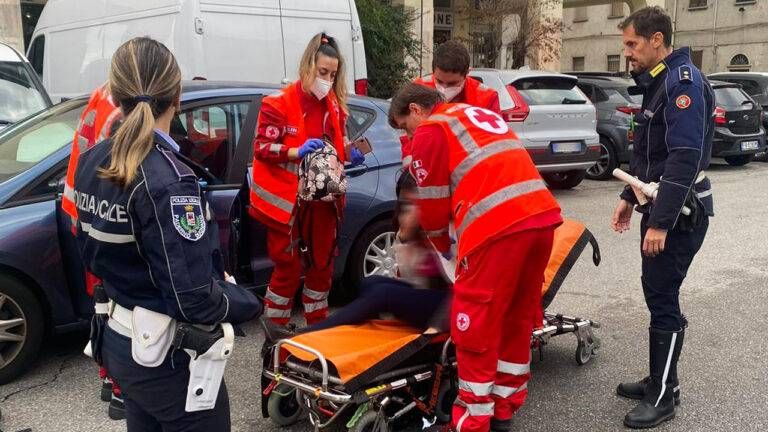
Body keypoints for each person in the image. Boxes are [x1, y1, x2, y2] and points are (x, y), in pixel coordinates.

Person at [73, 37, 261, 431]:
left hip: (121, 341)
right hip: (167, 357)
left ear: (116, 93)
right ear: (176, 95)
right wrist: (245, 301)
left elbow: (88, 248)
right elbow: (192, 297)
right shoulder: (170, 180)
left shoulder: (92, 160)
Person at [388, 83, 562, 432]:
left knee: (474, 325)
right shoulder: (475, 114)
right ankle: (504, 410)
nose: (407, 136)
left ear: (416, 111)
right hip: (540, 218)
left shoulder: (432, 128)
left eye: (404, 126)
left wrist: (444, 248)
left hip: (497, 228)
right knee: (516, 317)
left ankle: (472, 421)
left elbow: (433, 205)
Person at [611, 7, 713, 429]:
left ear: (657, 40)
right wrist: (627, 196)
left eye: (633, 44)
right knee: (658, 295)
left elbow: (684, 158)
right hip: (657, 203)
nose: (628, 54)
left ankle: (664, 395)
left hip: (680, 213)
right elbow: (649, 152)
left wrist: (660, 222)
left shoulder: (681, 82)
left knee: (663, 300)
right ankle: (659, 377)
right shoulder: (659, 82)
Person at [249, 33, 364, 326]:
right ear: (308, 66)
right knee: (287, 268)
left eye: (333, 74)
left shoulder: (335, 106)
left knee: (322, 268)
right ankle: (274, 331)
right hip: (289, 204)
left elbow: (342, 146)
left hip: (324, 202)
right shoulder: (278, 104)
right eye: (323, 72)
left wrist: (352, 153)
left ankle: (318, 328)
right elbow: (261, 147)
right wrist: (293, 151)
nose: (327, 79)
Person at [262, 171, 451, 341]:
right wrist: (406, 240)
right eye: (405, 205)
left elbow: (460, 289)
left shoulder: (447, 232)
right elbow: (413, 277)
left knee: (382, 294)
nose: (407, 211)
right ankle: (355, 334)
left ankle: (302, 336)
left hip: (450, 308)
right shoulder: (417, 232)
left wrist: (435, 327)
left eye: (413, 205)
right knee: (372, 283)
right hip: (433, 297)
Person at [61, 83, 126, 419]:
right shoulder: (121, 112)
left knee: (103, 301)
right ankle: (119, 390)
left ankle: (106, 376)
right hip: (105, 214)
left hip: (83, 210)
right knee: (117, 305)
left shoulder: (102, 95)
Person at [400, 40, 500, 167]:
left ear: (467, 73)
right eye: (439, 81)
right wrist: (411, 166)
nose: (444, 88)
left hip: (469, 166)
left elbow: (492, 143)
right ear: (433, 71)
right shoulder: (417, 90)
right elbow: (407, 132)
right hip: (427, 164)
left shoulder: (486, 98)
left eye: (452, 84)